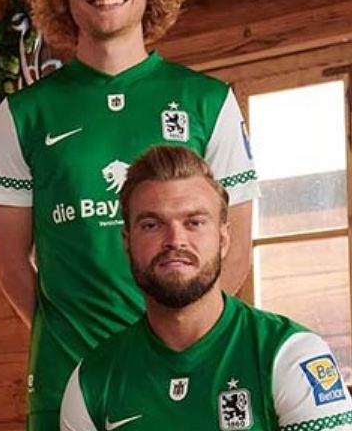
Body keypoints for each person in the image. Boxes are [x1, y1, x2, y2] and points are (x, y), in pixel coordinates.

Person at [0, 0, 259, 430]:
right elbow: (12, 263)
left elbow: (234, 247)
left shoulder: (206, 101)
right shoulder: (22, 115)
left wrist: (176, 340)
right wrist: (70, 337)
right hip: (66, 373)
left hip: (184, 372)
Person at [60, 145, 352, 431]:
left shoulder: (292, 355)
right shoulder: (90, 381)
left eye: (194, 222)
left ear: (223, 239)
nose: (175, 240)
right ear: (127, 243)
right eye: (151, 225)